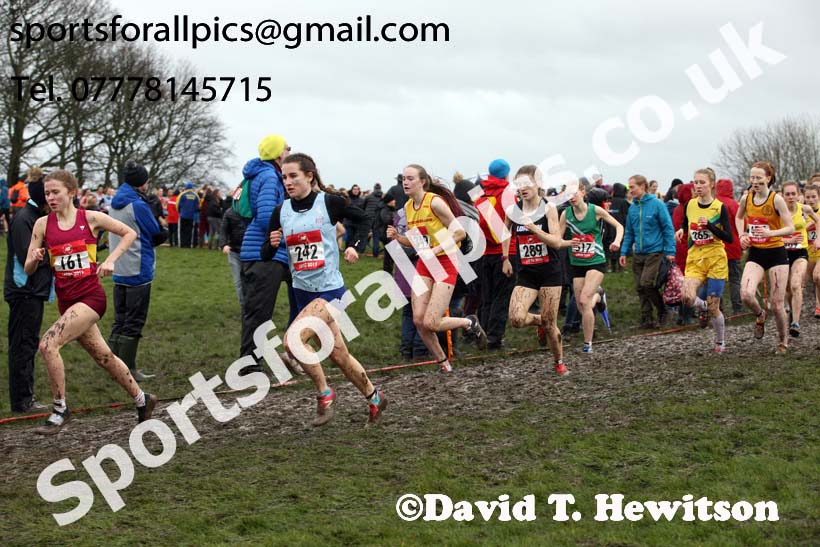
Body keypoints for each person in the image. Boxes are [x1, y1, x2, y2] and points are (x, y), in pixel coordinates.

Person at [23, 169, 156, 434]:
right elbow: (27, 269)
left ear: (71, 192)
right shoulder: (42, 225)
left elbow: (129, 233)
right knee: (104, 357)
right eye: (47, 193)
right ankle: (143, 400)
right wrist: (35, 258)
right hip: (67, 302)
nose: (50, 197)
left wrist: (110, 260)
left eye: (56, 192)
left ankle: (60, 409)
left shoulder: (91, 218)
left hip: (91, 298)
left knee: (48, 345)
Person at [262, 153, 385, 426]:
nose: (288, 182)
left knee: (293, 342)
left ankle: (325, 394)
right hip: (300, 292)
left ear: (309, 175)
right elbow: (266, 254)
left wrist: (355, 245)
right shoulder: (280, 211)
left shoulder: (329, 202)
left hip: (330, 291)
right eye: (284, 177)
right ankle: (375, 396)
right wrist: (271, 244)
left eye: (293, 176)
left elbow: (364, 219)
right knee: (338, 355)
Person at [387, 164, 488, 372]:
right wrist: (399, 238)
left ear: (422, 181)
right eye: (403, 178)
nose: (405, 182)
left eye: (410, 178)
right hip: (426, 263)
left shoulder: (434, 202)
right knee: (418, 319)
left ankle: (468, 323)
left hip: (445, 261)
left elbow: (459, 233)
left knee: (432, 321)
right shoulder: (408, 208)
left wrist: (436, 249)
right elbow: (416, 241)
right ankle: (444, 364)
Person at [502, 166, 572, 374]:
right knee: (516, 319)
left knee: (551, 327)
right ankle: (541, 320)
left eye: (526, 184)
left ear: (537, 184)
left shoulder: (548, 208)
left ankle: (559, 362)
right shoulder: (512, 211)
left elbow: (557, 242)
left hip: (550, 271)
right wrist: (505, 257)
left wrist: (534, 229)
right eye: (519, 185)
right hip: (527, 273)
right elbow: (505, 233)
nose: (522, 189)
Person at [108, 160, 169, 382]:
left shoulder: (114, 203)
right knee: (134, 320)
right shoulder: (138, 205)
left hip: (119, 267)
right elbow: (154, 232)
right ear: (142, 183)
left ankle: (111, 364)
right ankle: (127, 370)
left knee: (119, 318)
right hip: (138, 267)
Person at [238, 134, 292, 375]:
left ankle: (259, 360)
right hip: (264, 253)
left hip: (260, 251)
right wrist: (288, 228)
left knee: (257, 311)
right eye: (286, 147)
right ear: (278, 153)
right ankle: (249, 366)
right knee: (259, 312)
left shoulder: (262, 173)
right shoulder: (270, 177)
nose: (290, 151)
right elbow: (266, 215)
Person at [735, 162, 794, 354]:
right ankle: (760, 315)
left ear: (768, 178)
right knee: (746, 294)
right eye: (752, 177)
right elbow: (738, 217)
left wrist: (771, 233)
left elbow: (791, 227)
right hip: (757, 253)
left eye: (758, 178)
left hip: (776, 252)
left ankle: (783, 341)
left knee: (777, 304)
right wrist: (742, 235)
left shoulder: (776, 199)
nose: (754, 182)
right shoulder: (746, 198)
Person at [4, 175, 51, 413]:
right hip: (24, 292)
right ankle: (22, 402)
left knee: (28, 343)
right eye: (50, 193)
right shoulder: (26, 219)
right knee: (23, 345)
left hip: (32, 291)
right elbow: (27, 258)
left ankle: (25, 397)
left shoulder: (36, 217)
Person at [674, 168, 734, 353]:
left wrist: (709, 225)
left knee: (715, 307)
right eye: (695, 182)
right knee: (686, 297)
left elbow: (729, 238)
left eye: (702, 182)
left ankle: (720, 341)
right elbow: (686, 222)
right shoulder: (690, 204)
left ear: (711, 184)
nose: (698, 186)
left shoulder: (719, 207)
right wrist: (682, 230)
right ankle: (704, 306)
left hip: (715, 258)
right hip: (695, 258)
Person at [561, 181, 623, 353]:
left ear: (582, 192)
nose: (571, 198)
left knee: (582, 300)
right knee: (583, 306)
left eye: (574, 193)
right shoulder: (566, 214)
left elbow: (619, 226)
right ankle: (599, 296)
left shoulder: (595, 210)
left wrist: (617, 242)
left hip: (596, 260)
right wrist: (567, 242)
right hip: (577, 263)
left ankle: (587, 344)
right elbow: (558, 239)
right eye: (567, 195)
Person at [619, 174, 676, 328]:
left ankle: (662, 310)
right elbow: (629, 232)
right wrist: (623, 252)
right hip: (638, 253)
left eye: (632, 187)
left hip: (655, 252)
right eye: (629, 188)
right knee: (640, 287)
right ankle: (647, 318)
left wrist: (670, 251)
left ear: (642, 186)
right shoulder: (633, 208)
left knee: (646, 283)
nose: (630, 191)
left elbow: (668, 228)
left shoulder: (657, 204)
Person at [475, 158, 518, 349]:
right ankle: (494, 338)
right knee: (502, 296)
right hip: (506, 250)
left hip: (484, 251)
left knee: (487, 297)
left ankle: (482, 333)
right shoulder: (508, 194)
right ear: (506, 173)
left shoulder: (480, 193)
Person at [781, 181, 820, 337]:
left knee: (797, 284)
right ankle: (791, 310)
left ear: (798, 195)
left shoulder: (804, 209)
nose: (791, 197)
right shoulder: (778, 211)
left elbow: (818, 220)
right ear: (782, 196)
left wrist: (818, 239)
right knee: (788, 289)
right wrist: (785, 240)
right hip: (783, 253)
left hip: (801, 252)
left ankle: (795, 323)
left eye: (793, 194)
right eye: (787, 194)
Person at [716, 178, 743, 314]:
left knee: (718, 279)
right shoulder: (734, 205)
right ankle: (737, 307)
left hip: (717, 247)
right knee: (735, 279)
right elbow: (743, 224)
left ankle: (718, 308)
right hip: (733, 246)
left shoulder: (714, 204)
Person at [802, 182, 820, 318]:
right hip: (807, 252)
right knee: (801, 281)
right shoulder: (800, 212)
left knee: (817, 276)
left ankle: (819, 306)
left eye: (814, 197)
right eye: (808, 197)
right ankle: (793, 309)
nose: (811, 200)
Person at [363, 183, 384, 256]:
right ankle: (375, 253)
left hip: (368, 217)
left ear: (374, 188)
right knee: (376, 236)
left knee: (364, 234)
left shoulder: (369, 197)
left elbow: (363, 206)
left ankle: (361, 251)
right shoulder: (382, 197)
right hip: (377, 218)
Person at [176, 183, 200, 248]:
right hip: (191, 216)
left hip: (183, 215)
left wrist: (179, 212)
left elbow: (178, 204)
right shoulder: (196, 195)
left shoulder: (182, 194)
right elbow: (198, 206)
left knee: (182, 230)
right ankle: (188, 244)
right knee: (189, 231)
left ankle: (182, 244)